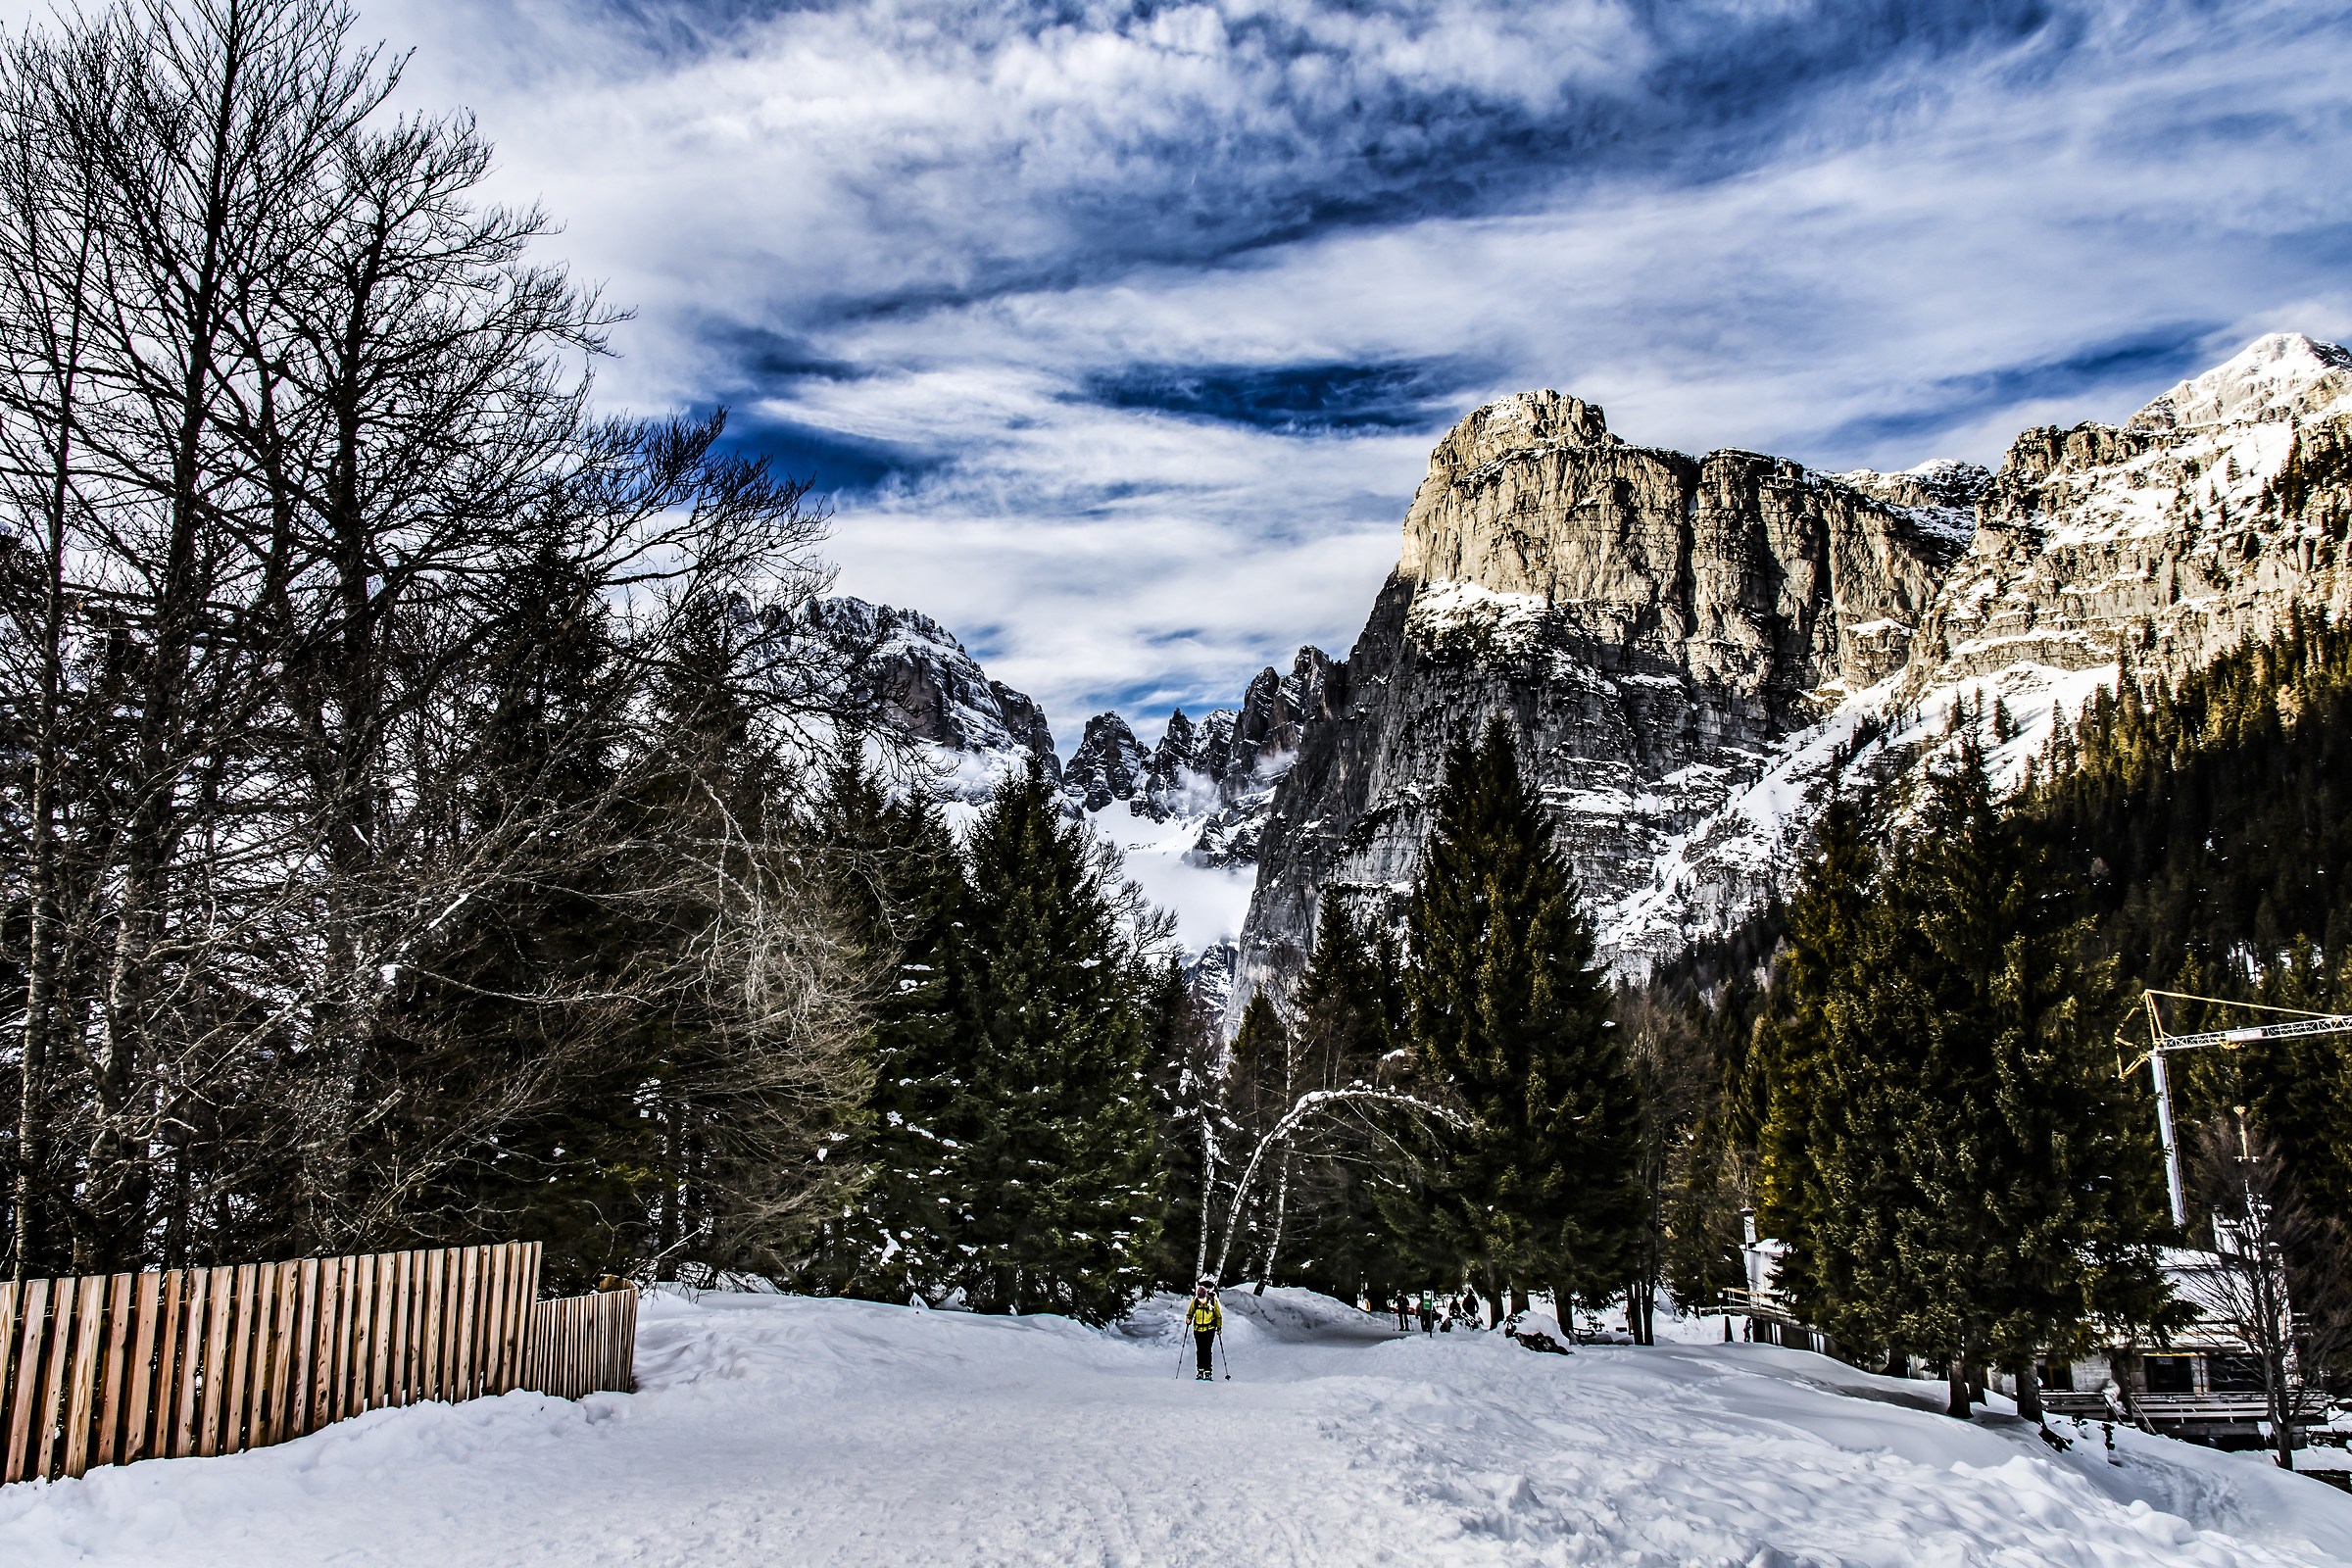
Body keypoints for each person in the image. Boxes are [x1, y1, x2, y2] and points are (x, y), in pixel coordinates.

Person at [1188, 1276, 1223, 1380]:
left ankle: (1208, 1371)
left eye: (1202, 1298)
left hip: (1210, 1329)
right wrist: (1188, 1318)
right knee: (1200, 1350)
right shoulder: (1195, 1302)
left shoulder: (1212, 1301)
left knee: (1207, 1350)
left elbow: (1218, 1315)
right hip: (1197, 1330)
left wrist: (1219, 1327)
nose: (1201, 1301)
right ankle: (1200, 1371)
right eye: (1200, 1298)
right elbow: (1190, 1312)